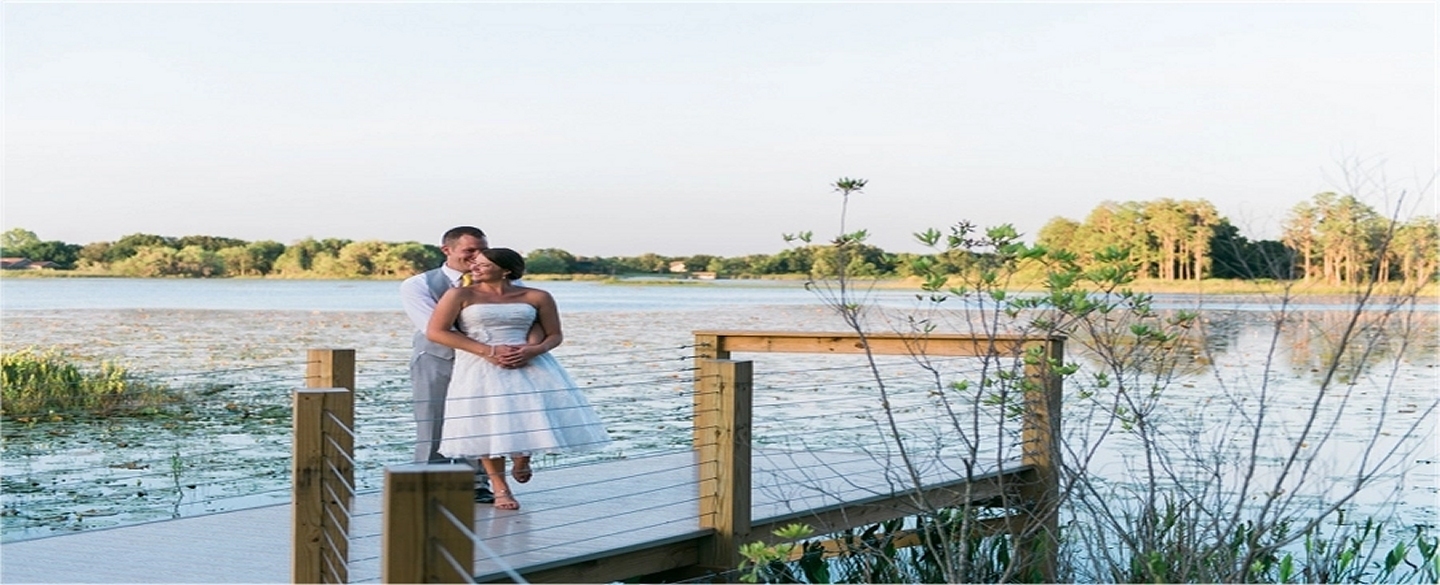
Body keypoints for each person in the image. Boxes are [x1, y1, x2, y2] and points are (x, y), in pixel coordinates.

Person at [426, 248, 611, 510]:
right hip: (480, 364)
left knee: (528, 414)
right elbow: (436, 331)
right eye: (474, 264)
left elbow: (554, 335)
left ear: (506, 270)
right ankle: (501, 489)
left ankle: (523, 455)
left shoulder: (537, 296)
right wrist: (489, 351)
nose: (475, 268)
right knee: (486, 425)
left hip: (528, 361)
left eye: (483, 265)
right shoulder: (459, 294)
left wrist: (533, 350)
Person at [400, 226, 536, 504]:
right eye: (470, 251)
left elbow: (524, 318)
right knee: (432, 423)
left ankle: (476, 486)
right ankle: (429, 484)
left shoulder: (504, 282)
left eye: (482, 250)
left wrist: (517, 350)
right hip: (437, 361)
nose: (477, 257)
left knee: (481, 421)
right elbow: (434, 328)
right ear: (446, 250)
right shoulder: (418, 285)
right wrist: (488, 349)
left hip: (487, 365)